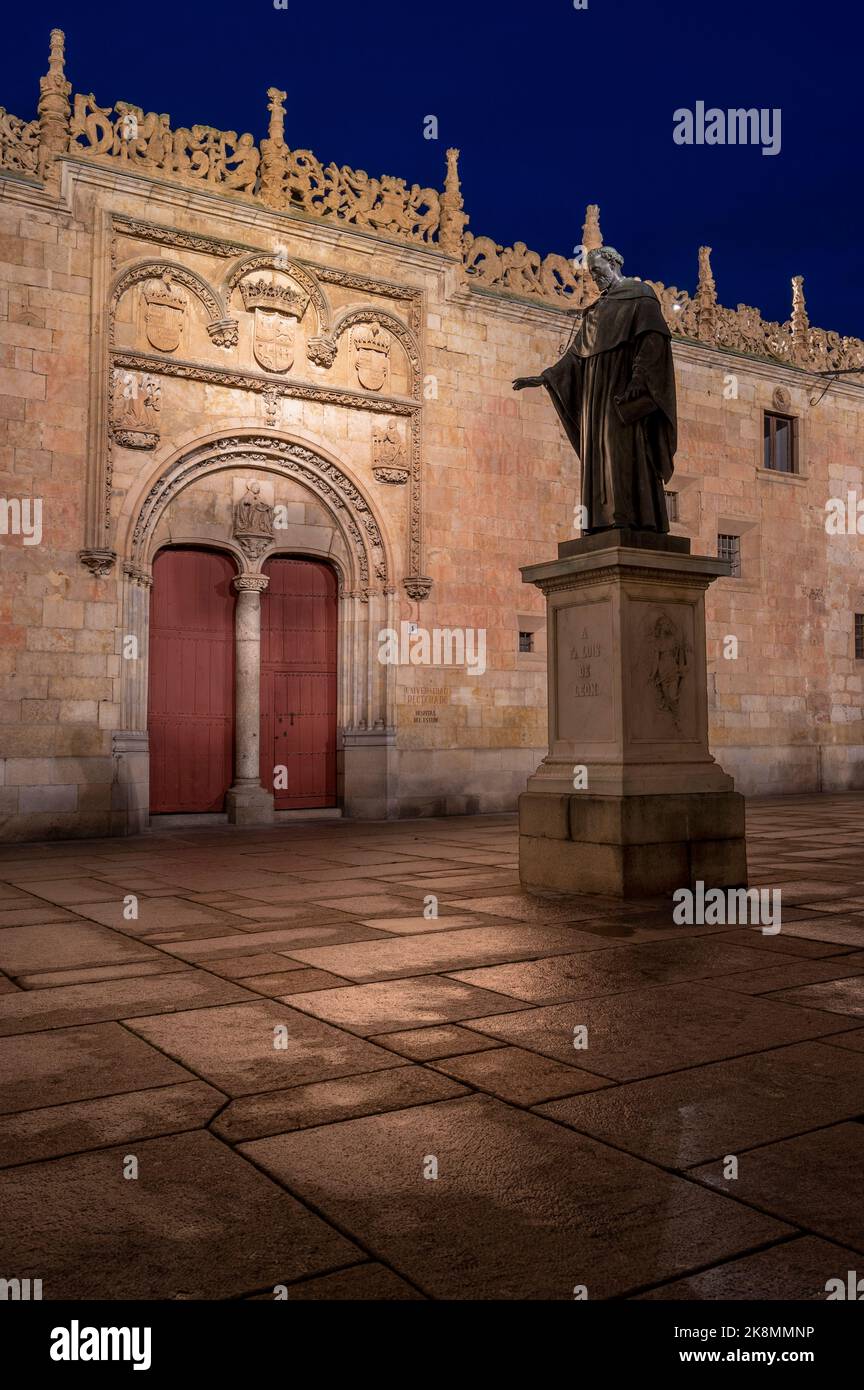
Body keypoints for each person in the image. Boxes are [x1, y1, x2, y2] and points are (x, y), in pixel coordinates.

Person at [513, 246, 677, 533]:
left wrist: (638, 383)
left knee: (623, 452)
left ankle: (632, 517)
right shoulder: (597, 309)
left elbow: (653, 341)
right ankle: (603, 520)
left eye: (599, 270)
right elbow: (576, 355)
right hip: (595, 399)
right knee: (598, 454)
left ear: (614, 263)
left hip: (621, 395)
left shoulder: (640, 295)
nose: (596, 277)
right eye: (592, 274)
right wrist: (546, 377)